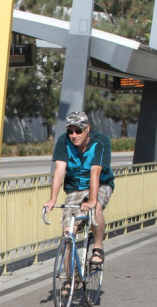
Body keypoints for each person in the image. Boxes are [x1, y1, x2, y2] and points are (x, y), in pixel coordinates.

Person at [44, 110, 115, 268]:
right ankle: (68, 277)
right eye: (70, 131)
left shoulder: (100, 141)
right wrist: (53, 198)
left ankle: (98, 246)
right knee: (68, 232)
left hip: (101, 182)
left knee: (95, 208)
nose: (74, 135)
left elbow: (95, 172)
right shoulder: (63, 142)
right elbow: (59, 170)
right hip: (75, 187)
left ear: (87, 129)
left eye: (78, 131)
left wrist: (91, 200)